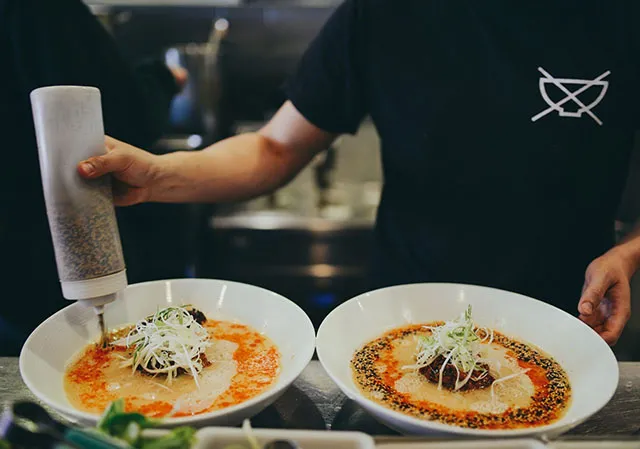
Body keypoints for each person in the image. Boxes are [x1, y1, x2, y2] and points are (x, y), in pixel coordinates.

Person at [78, 0, 639, 346]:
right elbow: (275, 147)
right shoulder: (385, 12)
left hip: (568, 325)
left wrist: (629, 253)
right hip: (405, 323)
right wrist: (156, 175)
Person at [0, 0, 186, 354]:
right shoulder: (43, 10)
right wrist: (162, 78)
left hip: (12, 253)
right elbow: (123, 118)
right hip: (54, 240)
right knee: (81, 351)